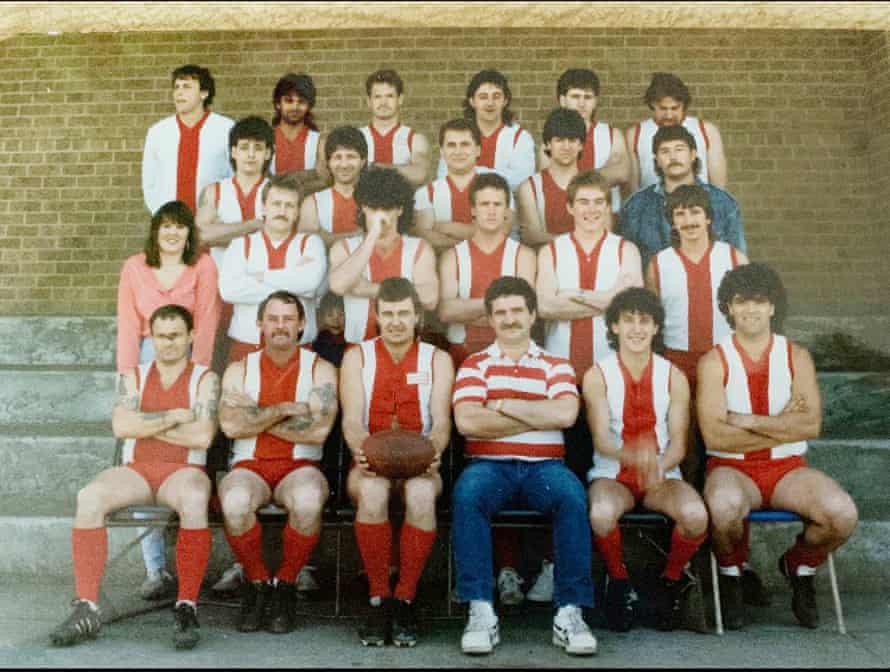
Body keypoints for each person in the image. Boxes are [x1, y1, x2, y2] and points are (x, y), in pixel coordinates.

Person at [698, 263, 858, 630]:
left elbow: (811, 424)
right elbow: (716, 437)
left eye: (760, 301)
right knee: (723, 507)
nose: (751, 309)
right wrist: (785, 424)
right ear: (729, 307)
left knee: (842, 514)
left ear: (772, 307)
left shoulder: (796, 356)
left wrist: (751, 420)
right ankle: (732, 574)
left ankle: (799, 565)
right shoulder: (714, 361)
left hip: (787, 470)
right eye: (741, 301)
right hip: (731, 468)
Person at [50, 305, 220, 650]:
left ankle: (186, 605)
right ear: (151, 338)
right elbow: (121, 426)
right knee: (90, 497)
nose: (168, 343)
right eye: (160, 336)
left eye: (175, 335)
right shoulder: (135, 377)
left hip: (184, 471)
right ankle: (86, 606)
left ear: (191, 336)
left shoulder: (205, 378)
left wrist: (146, 425)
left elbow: (202, 436)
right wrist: (173, 417)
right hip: (138, 470)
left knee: (194, 499)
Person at [452, 276, 597, 657]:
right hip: (489, 466)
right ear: (490, 319)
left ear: (533, 315)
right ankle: (480, 610)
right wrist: (537, 416)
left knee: (572, 497)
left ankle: (570, 612)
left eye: (517, 310)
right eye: (500, 312)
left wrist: (500, 405)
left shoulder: (556, 365)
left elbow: (565, 413)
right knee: (467, 495)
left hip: (544, 468)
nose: (510, 318)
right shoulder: (473, 366)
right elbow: (467, 421)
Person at [584, 287, 708, 632]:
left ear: (656, 328)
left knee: (696, 515)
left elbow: (679, 444)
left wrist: (659, 467)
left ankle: (670, 583)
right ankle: (618, 582)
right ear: (614, 327)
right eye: (628, 320)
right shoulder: (597, 375)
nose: (637, 329)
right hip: (613, 473)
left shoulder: (673, 376)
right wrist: (636, 459)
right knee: (601, 513)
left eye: (645, 321)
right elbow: (603, 441)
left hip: (662, 474)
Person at [339, 277, 454, 647]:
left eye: (404, 314)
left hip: (419, 461)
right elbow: (352, 421)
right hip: (372, 460)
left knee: (421, 496)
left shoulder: (437, 359)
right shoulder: (357, 356)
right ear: (376, 315)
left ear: (417, 316)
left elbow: (440, 423)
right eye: (388, 314)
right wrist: (364, 452)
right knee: (372, 492)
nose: (396, 322)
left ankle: (405, 597)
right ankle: (378, 598)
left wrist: (432, 452)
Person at [116, 200, 221, 600]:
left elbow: (208, 318)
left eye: (180, 227)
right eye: (165, 226)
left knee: (183, 456)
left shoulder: (204, 266)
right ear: (155, 231)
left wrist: (198, 374)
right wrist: (128, 375)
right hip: (145, 359)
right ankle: (155, 568)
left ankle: (187, 567)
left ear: (189, 233)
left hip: (190, 360)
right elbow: (128, 323)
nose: (173, 234)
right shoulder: (134, 267)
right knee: (142, 453)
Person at [218, 290, 338, 634]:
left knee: (308, 501)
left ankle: (284, 586)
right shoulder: (239, 369)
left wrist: (256, 414)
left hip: (301, 468)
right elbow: (229, 426)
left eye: (288, 319)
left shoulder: (322, 369)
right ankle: (257, 584)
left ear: (302, 324)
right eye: (272, 319)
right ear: (259, 324)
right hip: (248, 466)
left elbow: (318, 431)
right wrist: (285, 409)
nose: (280, 326)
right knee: (235, 502)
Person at [645, 184, 749, 486]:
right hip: (679, 363)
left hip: (725, 362)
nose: (688, 220)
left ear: (709, 218)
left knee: (726, 445)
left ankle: (725, 525)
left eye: (695, 212)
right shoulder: (658, 264)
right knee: (686, 447)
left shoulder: (734, 259)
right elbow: (654, 322)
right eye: (680, 214)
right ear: (672, 221)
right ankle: (690, 525)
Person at [536, 170, 643, 381]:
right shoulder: (551, 251)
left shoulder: (626, 250)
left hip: (612, 364)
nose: (592, 209)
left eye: (598, 201)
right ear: (570, 207)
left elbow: (631, 306)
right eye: (583, 202)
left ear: (608, 206)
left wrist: (572, 294)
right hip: (560, 364)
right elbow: (545, 307)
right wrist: (610, 298)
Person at [218, 173, 328, 363]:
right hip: (247, 347)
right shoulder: (240, 245)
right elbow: (228, 290)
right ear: (263, 208)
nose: (282, 211)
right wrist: (295, 286)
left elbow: (310, 282)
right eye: (276, 204)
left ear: (297, 212)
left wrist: (259, 276)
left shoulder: (310, 243)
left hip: (300, 349)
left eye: (289, 205)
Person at [328, 167, 438, 344]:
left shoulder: (419, 248)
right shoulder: (344, 247)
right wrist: (372, 235)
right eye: (373, 208)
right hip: (358, 348)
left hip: (407, 348)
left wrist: (367, 288)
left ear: (400, 209)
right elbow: (338, 285)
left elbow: (430, 299)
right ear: (363, 207)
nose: (380, 215)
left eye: (387, 208)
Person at [438, 171, 535, 368]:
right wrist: (502, 307)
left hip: (511, 353)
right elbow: (447, 311)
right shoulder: (453, 256)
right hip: (462, 350)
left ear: (507, 210)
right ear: (473, 209)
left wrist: (467, 309)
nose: (491, 211)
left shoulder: (523, 255)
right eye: (484, 204)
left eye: (497, 204)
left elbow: (526, 311)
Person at [617, 124, 746, 270]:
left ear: (692, 155)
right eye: (665, 151)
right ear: (657, 160)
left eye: (679, 149)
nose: (673, 157)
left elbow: (738, 261)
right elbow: (626, 264)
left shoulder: (723, 203)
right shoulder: (636, 206)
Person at [142, 64, 234, 215]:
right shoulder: (158, 132)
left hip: (213, 223)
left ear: (204, 93)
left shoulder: (226, 129)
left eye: (186, 87)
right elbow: (150, 183)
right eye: (176, 87)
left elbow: (234, 176)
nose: (179, 92)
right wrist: (162, 217)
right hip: (170, 224)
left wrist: (221, 216)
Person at [414, 119, 515, 251]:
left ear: (478, 150)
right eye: (451, 145)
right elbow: (427, 238)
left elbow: (501, 231)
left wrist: (446, 227)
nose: (458, 151)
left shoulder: (499, 187)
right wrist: (479, 233)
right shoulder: (426, 193)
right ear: (442, 152)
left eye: (465, 144)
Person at [540, 68, 630, 213]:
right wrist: (601, 176)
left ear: (595, 101)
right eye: (575, 97)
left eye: (588, 97)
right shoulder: (551, 137)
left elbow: (622, 173)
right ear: (562, 100)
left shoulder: (612, 134)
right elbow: (548, 181)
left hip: (606, 220)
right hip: (562, 215)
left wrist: (570, 179)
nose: (582, 103)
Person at [436, 69, 535, 193]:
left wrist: (467, 171)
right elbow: (444, 177)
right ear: (472, 101)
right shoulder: (456, 135)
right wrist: (499, 175)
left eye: (496, 96)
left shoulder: (520, 137)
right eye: (483, 97)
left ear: (505, 100)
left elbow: (521, 180)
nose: (490, 103)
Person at [196, 116, 275, 270]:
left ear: (267, 153)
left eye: (258, 148)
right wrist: (254, 225)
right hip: (221, 284)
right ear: (233, 152)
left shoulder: (278, 191)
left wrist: (222, 231)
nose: (251, 154)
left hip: (266, 285)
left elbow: (280, 238)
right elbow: (201, 236)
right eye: (244, 147)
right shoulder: (214, 191)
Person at [626, 72, 727, 192]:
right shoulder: (635, 134)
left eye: (674, 108)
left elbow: (719, 187)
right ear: (653, 104)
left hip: (699, 206)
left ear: (683, 105)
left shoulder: (706, 130)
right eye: (663, 108)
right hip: (652, 206)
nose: (669, 115)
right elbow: (632, 188)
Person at [518, 108, 587, 247]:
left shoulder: (594, 185)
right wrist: (581, 240)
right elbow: (533, 236)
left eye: (572, 140)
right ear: (548, 144)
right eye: (559, 140)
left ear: (581, 145)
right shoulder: (530, 187)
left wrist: (548, 238)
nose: (566, 147)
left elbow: (602, 234)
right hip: (545, 264)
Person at [359, 69, 431, 189]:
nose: (383, 102)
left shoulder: (414, 139)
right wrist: (402, 169)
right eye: (377, 97)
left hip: (403, 206)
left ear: (400, 99)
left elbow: (420, 173)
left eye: (389, 96)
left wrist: (376, 167)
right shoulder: (357, 136)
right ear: (368, 101)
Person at [298, 126, 367, 247]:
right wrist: (361, 235)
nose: (344, 164)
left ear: (363, 161)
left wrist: (328, 238)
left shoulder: (376, 199)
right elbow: (309, 246)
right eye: (337, 157)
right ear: (328, 163)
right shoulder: (313, 202)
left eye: (351, 156)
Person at [270, 72, 329, 193]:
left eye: (301, 101)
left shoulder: (319, 142)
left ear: (309, 105)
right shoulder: (266, 139)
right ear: (278, 104)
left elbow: (324, 180)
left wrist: (280, 181)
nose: (295, 107)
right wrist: (310, 174)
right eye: (289, 100)